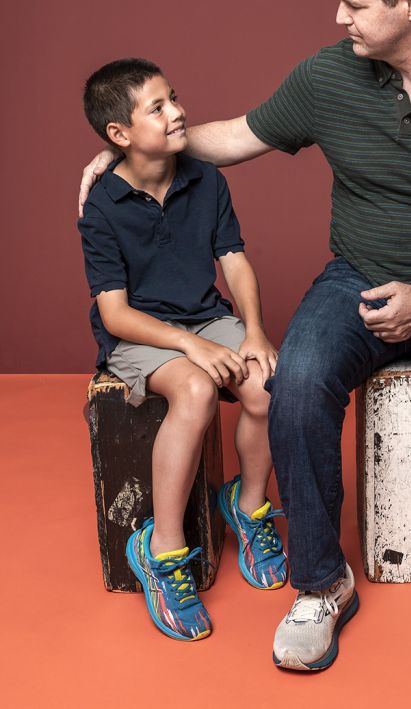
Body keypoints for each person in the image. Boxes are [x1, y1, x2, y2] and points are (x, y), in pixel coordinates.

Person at [80, 0, 411, 676]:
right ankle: (320, 583)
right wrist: (136, 153)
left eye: (354, 3)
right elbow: (235, 135)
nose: (338, 17)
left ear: (410, 3)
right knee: (294, 383)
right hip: (356, 275)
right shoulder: (327, 76)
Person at [78, 58, 287, 642]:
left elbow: (234, 261)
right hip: (140, 333)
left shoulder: (206, 180)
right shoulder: (102, 207)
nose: (178, 112)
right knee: (195, 390)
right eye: (158, 107)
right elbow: (116, 314)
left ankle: (247, 507)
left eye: (173, 97)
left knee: (266, 383)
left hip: (206, 317)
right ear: (119, 133)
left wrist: (253, 330)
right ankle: (163, 551)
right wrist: (189, 346)